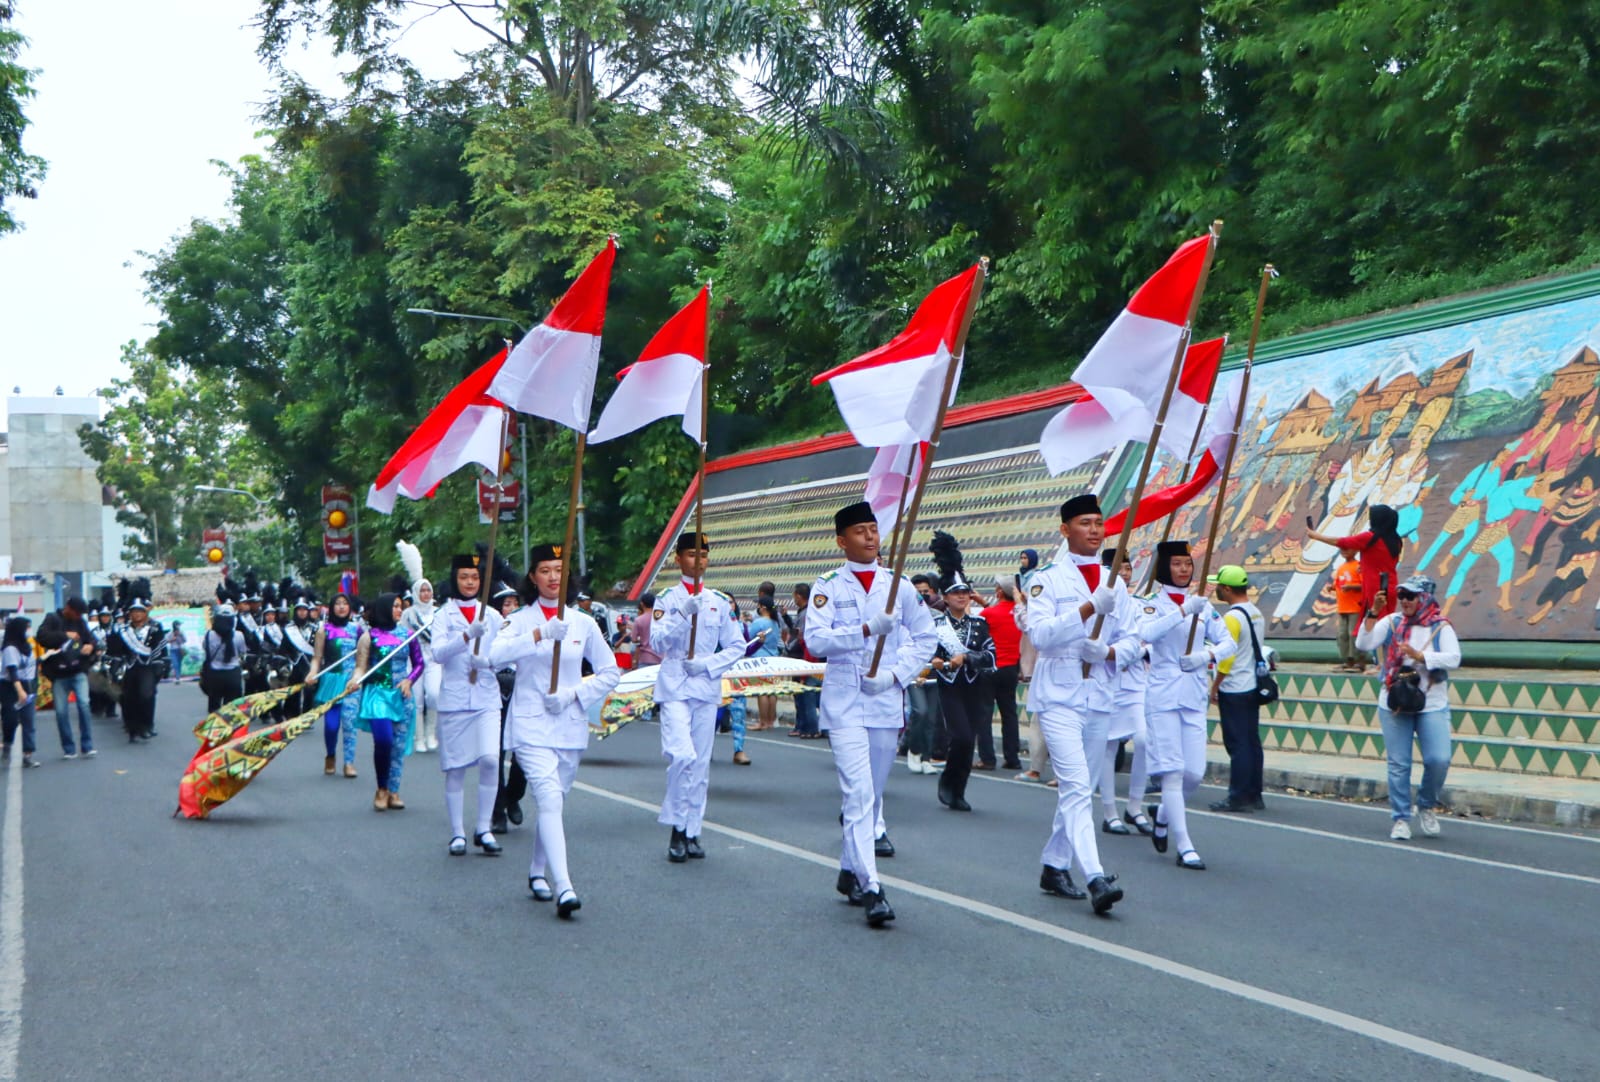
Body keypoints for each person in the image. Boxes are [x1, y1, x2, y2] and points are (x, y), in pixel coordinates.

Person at [806, 501, 938, 927]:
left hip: (884, 702)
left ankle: (849, 869)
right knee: (859, 793)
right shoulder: (827, 586)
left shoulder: (899, 586)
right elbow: (816, 642)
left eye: (873, 529)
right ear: (842, 541)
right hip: (844, 703)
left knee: (873, 795)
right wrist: (863, 630)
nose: (869, 537)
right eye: (859, 531)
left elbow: (926, 637)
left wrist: (897, 675)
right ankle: (872, 887)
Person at [1014, 495, 1145, 914]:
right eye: (1084, 523)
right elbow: (1041, 636)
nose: (1094, 529)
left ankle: (1054, 865)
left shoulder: (1116, 583)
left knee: (1081, 789)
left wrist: (1106, 653)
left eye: (1098, 522)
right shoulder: (1046, 579)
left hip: (1100, 692)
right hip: (1058, 696)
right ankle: (1095, 876)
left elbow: (1134, 638)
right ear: (1065, 530)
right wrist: (1089, 609)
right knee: (1074, 786)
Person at [488, 544, 622, 918]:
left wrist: (574, 694)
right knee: (547, 796)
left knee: (555, 802)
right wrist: (538, 635)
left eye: (558, 570)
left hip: (568, 722)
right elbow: (492, 658)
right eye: (544, 570)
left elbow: (611, 672)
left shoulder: (582, 622)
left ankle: (536, 872)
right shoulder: (520, 620)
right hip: (530, 722)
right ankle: (565, 886)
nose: (552, 577)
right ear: (533, 576)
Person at [650, 532, 750, 860]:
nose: (699, 560)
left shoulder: (720, 602)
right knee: (682, 756)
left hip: (704, 685)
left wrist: (707, 664)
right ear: (678, 559)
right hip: (675, 685)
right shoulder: (666, 599)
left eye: (704, 555)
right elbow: (658, 644)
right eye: (692, 554)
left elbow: (737, 646)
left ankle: (693, 829)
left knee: (701, 764)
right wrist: (681, 615)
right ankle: (677, 827)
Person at [1142, 540, 1237, 871]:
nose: (1184, 569)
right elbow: (1146, 633)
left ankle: (1163, 815)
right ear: (1165, 567)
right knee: (1172, 771)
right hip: (1163, 694)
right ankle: (1185, 846)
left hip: (1194, 693)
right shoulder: (1152, 603)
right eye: (1177, 564)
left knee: (1194, 775)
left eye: (1188, 563)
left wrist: (1206, 655)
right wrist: (1182, 611)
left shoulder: (1205, 607)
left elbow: (1229, 642)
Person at [1356, 574, 1461, 841]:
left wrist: (1421, 656)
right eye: (1401, 596)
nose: (1404, 601)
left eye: (1410, 596)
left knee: (1439, 759)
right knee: (1399, 764)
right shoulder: (1392, 622)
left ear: (1424, 598)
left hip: (1432, 702)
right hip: (1395, 703)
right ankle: (1401, 817)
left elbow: (1454, 658)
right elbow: (1363, 644)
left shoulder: (1440, 626)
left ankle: (1426, 804)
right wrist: (1373, 612)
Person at [430, 555, 506, 854]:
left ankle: (484, 828)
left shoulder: (494, 616)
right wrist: (466, 636)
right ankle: (457, 832)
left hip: (486, 697)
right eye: (464, 577)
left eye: (474, 576)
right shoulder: (443, 615)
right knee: (456, 768)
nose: (470, 582)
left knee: (490, 759)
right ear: (455, 579)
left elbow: (507, 653)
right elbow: (437, 654)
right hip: (455, 700)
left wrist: (489, 661)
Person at [928, 554, 996, 812]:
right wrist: (935, 659)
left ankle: (959, 790)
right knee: (962, 736)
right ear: (945, 597)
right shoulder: (935, 625)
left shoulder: (980, 624)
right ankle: (949, 783)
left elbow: (991, 656)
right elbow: (924, 651)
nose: (962, 597)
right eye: (955, 593)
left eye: (965, 592)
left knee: (969, 740)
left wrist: (966, 657)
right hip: (949, 686)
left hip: (974, 686)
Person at [1096, 549, 1154, 835]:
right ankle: (1110, 812)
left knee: (1144, 740)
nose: (1124, 574)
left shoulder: (1142, 605)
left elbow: (1151, 641)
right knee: (1108, 746)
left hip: (1135, 683)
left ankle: (1134, 806)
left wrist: (1138, 650)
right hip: (1107, 681)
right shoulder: (1097, 604)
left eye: (1128, 569)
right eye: (1119, 569)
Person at [1207, 565, 1274, 814]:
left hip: (1234, 687)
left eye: (1218, 586)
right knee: (1251, 741)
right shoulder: (1255, 612)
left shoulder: (1232, 617)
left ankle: (1238, 796)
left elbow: (1226, 657)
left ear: (1226, 588)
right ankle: (1255, 794)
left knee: (1237, 745)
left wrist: (1215, 686)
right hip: (1252, 686)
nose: (1216, 590)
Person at [350, 592, 423, 812]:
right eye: (395, 606)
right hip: (376, 694)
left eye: (401, 606)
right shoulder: (368, 637)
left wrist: (410, 681)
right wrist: (355, 680)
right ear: (384, 609)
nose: (400, 610)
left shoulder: (409, 635)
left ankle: (393, 790)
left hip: (401, 696)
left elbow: (419, 664)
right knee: (384, 741)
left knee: (398, 746)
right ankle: (381, 788)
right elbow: (361, 666)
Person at [1307, 504, 1403, 619]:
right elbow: (1383, 561)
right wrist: (1365, 565)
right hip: (1391, 585)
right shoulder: (1396, 540)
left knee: (1374, 625)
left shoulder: (1370, 537)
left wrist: (1316, 536)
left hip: (1375, 587)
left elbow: (1343, 542)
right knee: (1387, 623)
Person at [36, 596, 98, 759]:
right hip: (59, 674)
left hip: (78, 670)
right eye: (77, 613)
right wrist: (64, 635)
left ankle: (87, 745)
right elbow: (42, 637)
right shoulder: (52, 619)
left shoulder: (81, 623)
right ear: (69, 608)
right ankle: (69, 748)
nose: (79, 617)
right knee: (61, 712)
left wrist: (90, 645)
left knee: (84, 705)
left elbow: (91, 638)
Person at [308, 593, 362, 778]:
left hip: (351, 682)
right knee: (331, 725)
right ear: (331, 607)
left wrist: (358, 677)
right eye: (337, 604)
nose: (341, 607)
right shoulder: (324, 630)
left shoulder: (358, 630)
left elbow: (363, 658)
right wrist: (312, 672)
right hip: (331, 681)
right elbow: (317, 658)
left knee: (349, 723)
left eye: (345, 603)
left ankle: (349, 762)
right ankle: (330, 755)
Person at [105, 591, 165, 743]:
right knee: (128, 698)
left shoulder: (155, 628)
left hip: (147, 667)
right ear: (129, 613)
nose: (137, 614)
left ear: (145, 613)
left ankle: (146, 726)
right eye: (134, 611)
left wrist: (161, 667)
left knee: (146, 695)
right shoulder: (122, 630)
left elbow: (161, 650)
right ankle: (132, 728)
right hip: (129, 667)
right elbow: (114, 651)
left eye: (140, 611)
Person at [986, 582, 1024, 771]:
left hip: (991, 667)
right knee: (1009, 714)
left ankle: (987, 758)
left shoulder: (989, 614)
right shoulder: (1019, 614)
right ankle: (1012, 757)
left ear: (999, 591)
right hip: (1011, 667)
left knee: (984, 713)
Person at [401, 576, 441, 753]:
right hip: (414, 658)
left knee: (434, 694)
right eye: (422, 591)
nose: (425, 594)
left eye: (428, 590)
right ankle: (419, 737)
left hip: (434, 658)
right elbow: (402, 637)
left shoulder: (439, 613)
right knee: (416, 699)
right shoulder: (408, 614)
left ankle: (431, 733)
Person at [2, 615, 40, 768]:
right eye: (26, 628)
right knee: (10, 718)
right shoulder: (10, 648)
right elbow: (12, 671)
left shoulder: (28, 647)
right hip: (10, 686)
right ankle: (7, 743)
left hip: (27, 684)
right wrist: (20, 691)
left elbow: (31, 666)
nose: (28, 631)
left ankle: (28, 754)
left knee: (28, 720)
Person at [786, 583, 822, 738]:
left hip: (805, 661)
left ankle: (808, 728)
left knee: (805, 697)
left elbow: (800, 639)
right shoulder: (807, 613)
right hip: (808, 660)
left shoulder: (805, 615)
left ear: (798, 596)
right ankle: (806, 727)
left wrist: (788, 647)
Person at [200, 602, 248, 714]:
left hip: (214, 675)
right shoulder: (239, 635)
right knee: (232, 707)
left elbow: (205, 650)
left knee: (214, 705)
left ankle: (214, 728)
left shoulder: (209, 635)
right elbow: (242, 652)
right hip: (233, 674)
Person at [747, 599, 783, 736]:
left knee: (762, 690)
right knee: (771, 691)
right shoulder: (775, 623)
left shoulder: (758, 623)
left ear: (762, 607)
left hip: (760, 657)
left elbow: (750, 638)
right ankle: (770, 720)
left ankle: (762, 721)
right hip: (773, 656)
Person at [1333, 546, 1367, 671]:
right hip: (1343, 607)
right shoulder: (1341, 567)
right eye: (1342, 549)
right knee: (1342, 634)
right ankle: (1347, 660)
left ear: (1356, 550)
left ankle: (1359, 661)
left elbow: (1365, 585)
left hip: (1355, 607)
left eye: (1347, 548)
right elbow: (1338, 583)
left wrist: (1351, 587)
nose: (1344, 551)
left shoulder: (1359, 566)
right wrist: (1331, 588)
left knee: (1354, 634)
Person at [629, 592, 660, 668]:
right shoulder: (660, 618)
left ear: (642, 604)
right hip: (660, 657)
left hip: (645, 658)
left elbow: (634, 639)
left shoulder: (638, 620)